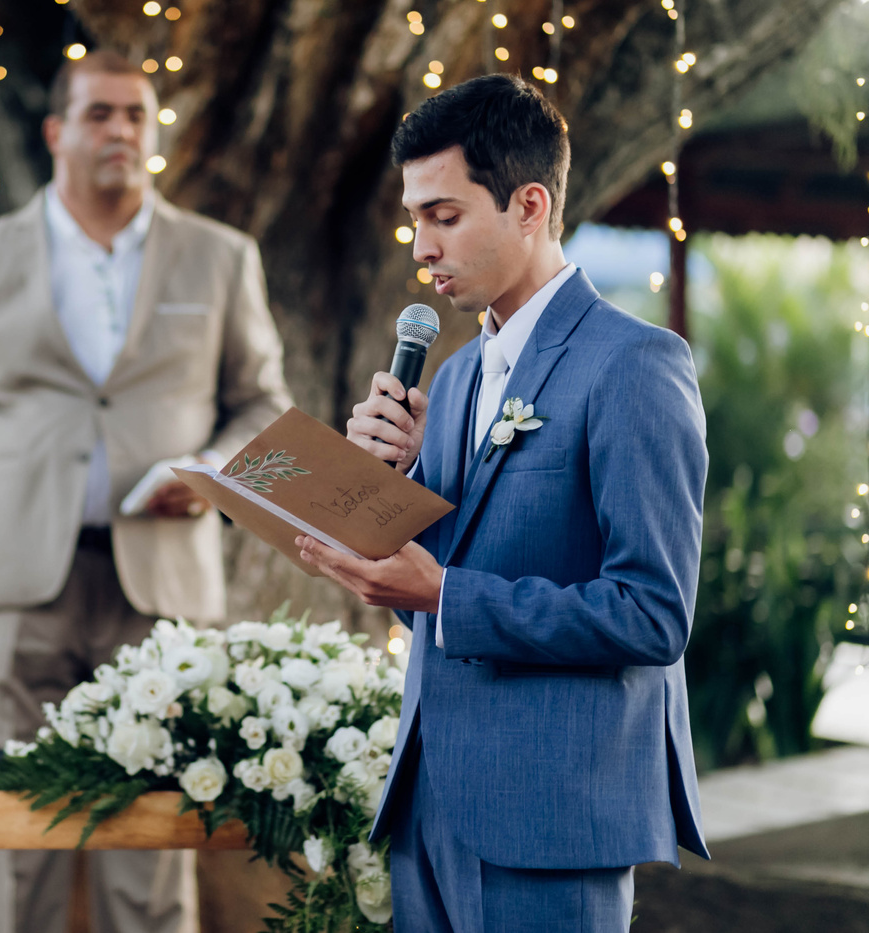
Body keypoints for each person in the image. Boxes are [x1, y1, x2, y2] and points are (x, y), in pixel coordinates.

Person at [0, 50, 292, 933]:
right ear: (56, 131)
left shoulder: (220, 257)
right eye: (100, 113)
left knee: (153, 835)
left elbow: (264, 404)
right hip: (22, 585)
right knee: (15, 829)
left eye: (136, 115)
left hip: (165, 591)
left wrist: (214, 470)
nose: (121, 131)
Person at [297, 75, 709, 931]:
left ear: (529, 205)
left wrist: (442, 593)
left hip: (550, 813)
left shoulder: (635, 364)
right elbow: (442, 590)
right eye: (415, 219)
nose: (423, 248)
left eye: (444, 216)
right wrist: (389, 499)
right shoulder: (450, 381)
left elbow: (652, 614)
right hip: (428, 803)